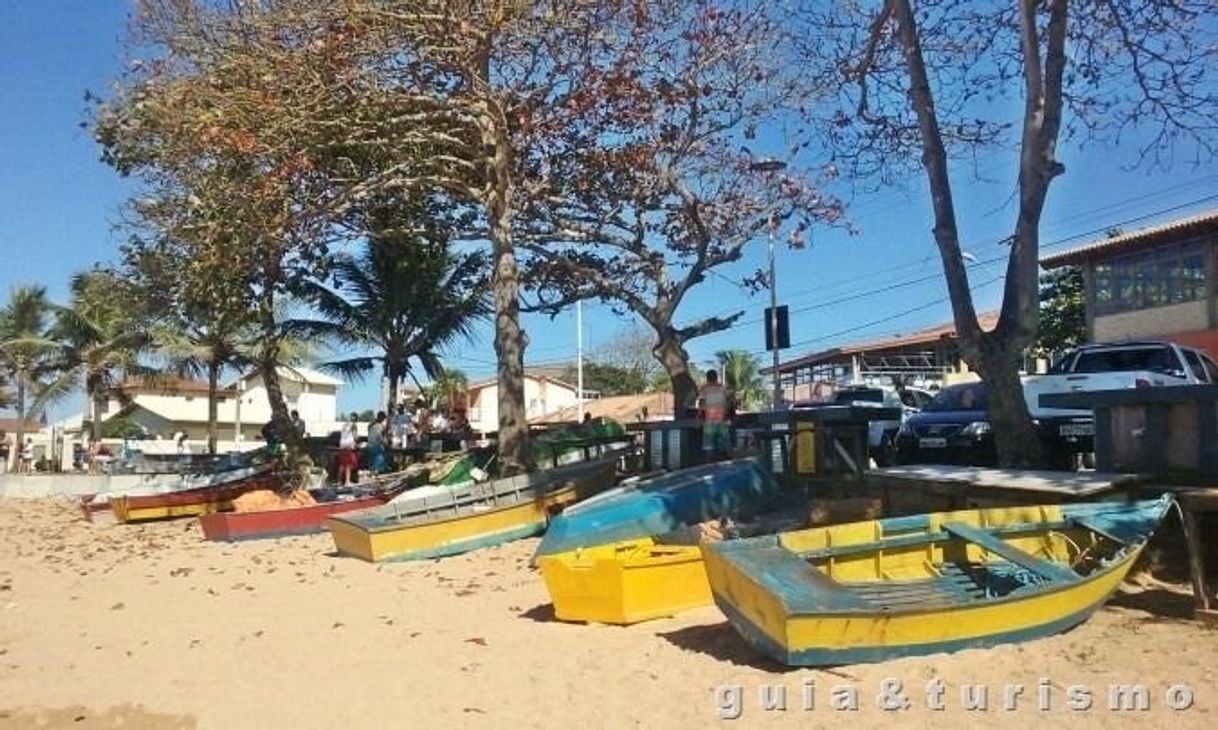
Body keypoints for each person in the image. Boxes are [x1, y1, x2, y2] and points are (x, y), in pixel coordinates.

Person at [698, 369, 732, 462]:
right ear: (716, 377)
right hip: (721, 420)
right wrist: (726, 411)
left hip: (709, 421)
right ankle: (729, 465)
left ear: (707, 378)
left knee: (708, 446)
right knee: (726, 444)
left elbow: (701, 403)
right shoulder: (722, 388)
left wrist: (699, 416)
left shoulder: (704, 389)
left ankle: (709, 467)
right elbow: (730, 401)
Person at [337, 412, 359, 485]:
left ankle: (339, 481)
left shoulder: (345, 425)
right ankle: (347, 481)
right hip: (349, 446)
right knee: (348, 465)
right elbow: (355, 437)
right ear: (356, 419)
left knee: (342, 464)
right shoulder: (354, 425)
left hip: (342, 446)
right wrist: (357, 442)